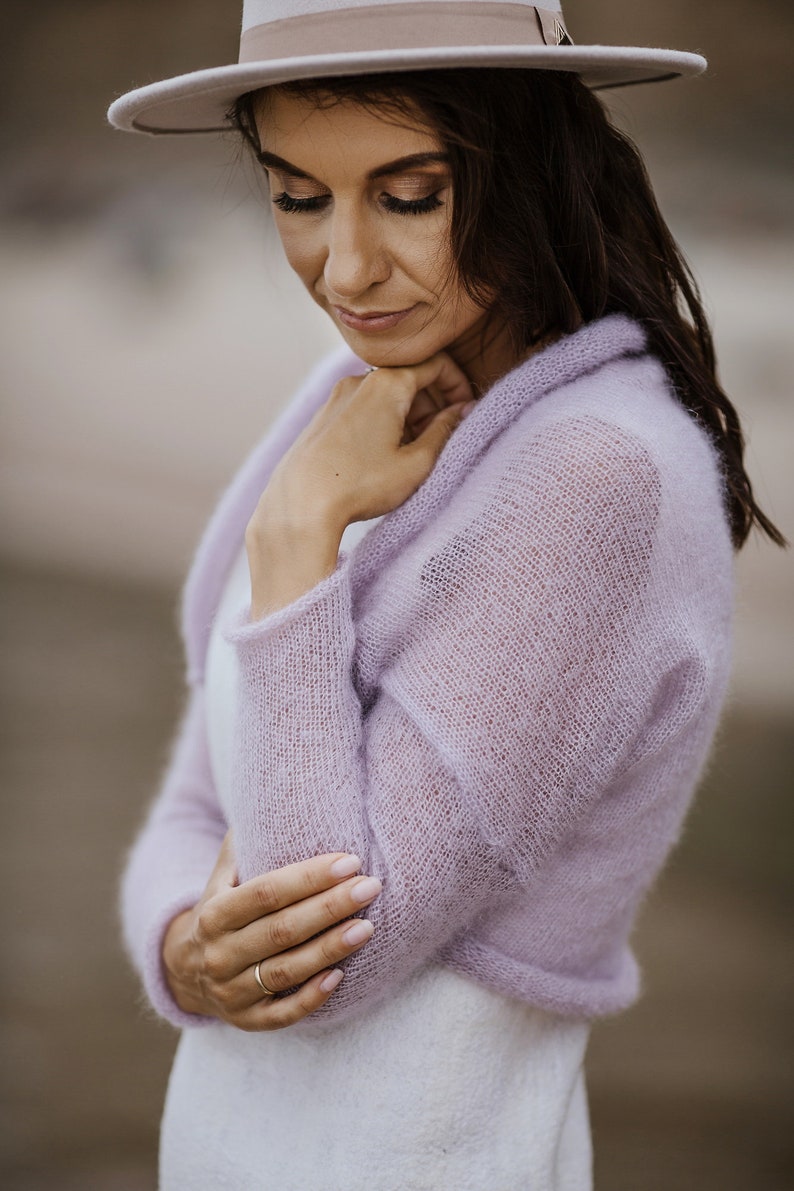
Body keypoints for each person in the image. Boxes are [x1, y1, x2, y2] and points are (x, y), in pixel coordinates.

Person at [108, 3, 784, 1188]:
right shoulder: (352, 396)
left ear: (530, 166)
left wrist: (298, 533)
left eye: (409, 194)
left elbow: (333, 953)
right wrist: (182, 952)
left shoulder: (595, 474)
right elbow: (195, 797)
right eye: (298, 195)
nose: (345, 265)